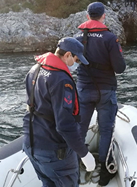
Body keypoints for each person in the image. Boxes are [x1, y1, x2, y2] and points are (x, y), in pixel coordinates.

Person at [22, 37, 96, 187]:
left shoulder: (35, 69)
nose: (77, 64)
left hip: (31, 145)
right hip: (54, 152)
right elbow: (65, 125)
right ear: (68, 55)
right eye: (77, 60)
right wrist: (84, 154)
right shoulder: (62, 81)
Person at [75, 2, 126, 186]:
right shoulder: (110, 38)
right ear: (103, 16)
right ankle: (105, 172)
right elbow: (120, 68)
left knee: (80, 129)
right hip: (105, 90)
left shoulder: (78, 37)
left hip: (83, 89)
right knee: (105, 130)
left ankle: (77, 165)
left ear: (87, 16)